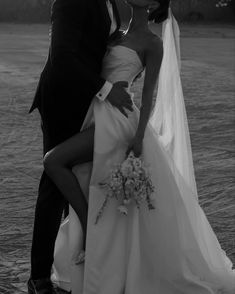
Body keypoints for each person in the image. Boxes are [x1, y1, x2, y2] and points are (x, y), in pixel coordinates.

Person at [43, 0, 235, 293]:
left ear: (156, 3)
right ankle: (95, 236)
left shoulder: (153, 43)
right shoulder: (115, 33)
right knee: (90, 180)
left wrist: (140, 135)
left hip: (119, 119)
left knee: (54, 161)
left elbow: (148, 96)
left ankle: (86, 224)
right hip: (95, 112)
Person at [27, 0, 134, 293]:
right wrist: (107, 90)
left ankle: (69, 268)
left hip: (88, 103)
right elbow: (63, 57)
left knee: (78, 179)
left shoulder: (111, 1)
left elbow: (95, 43)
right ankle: (38, 279)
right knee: (54, 183)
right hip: (62, 98)